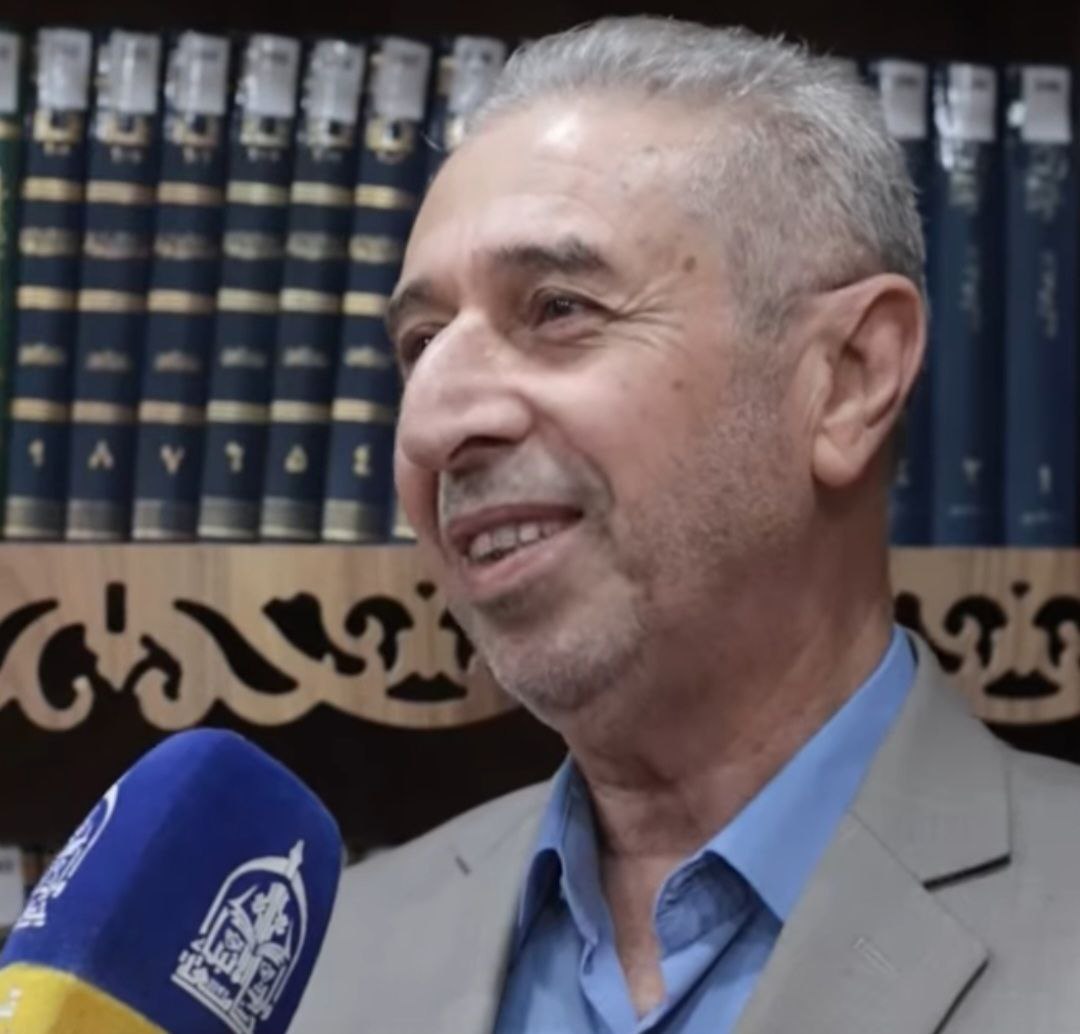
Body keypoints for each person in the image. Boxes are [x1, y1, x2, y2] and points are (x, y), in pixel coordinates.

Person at [292, 17, 1080, 1033]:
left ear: (848, 379)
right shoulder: (329, 957)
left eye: (559, 308)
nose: (433, 424)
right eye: (420, 343)